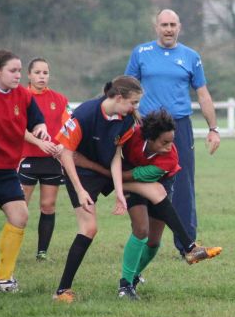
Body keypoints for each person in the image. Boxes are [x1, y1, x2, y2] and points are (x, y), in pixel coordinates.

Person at [72, 109, 222, 300]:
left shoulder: (169, 160)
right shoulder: (133, 135)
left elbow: (121, 177)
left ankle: (134, 277)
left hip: (159, 181)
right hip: (129, 177)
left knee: (153, 241)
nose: (170, 146)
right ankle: (125, 286)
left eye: (172, 141)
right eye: (164, 142)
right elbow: (117, 165)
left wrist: (88, 165)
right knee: (141, 229)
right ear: (150, 138)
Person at [125, 8, 221, 257]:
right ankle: (141, 238)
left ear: (180, 27)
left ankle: (187, 245)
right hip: (146, 128)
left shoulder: (191, 57)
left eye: (172, 24)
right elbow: (126, 89)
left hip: (178, 127)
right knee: (141, 181)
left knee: (182, 184)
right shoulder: (141, 53)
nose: (168, 29)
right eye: (164, 24)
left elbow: (203, 94)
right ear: (156, 27)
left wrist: (213, 129)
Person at [52, 76, 142, 302]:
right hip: (79, 172)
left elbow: (115, 156)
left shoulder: (126, 119)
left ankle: (136, 276)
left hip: (104, 168)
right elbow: (65, 154)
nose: (135, 108)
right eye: (133, 102)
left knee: (152, 191)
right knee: (89, 228)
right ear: (119, 97)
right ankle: (62, 291)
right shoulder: (85, 113)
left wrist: (120, 191)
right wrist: (80, 189)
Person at [0, 50, 49, 292]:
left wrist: (41, 129)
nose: (18, 75)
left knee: (20, 216)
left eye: (19, 70)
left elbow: (37, 120)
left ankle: (3, 279)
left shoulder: (24, 97)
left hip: (6, 171)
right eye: (12, 70)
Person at [19, 58, 70, 261]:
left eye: (45, 73)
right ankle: (8, 250)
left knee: (48, 206)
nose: (42, 76)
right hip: (28, 158)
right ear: (29, 75)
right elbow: (17, 128)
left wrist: (61, 144)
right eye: (38, 72)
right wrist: (39, 143)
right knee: (19, 208)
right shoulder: (20, 97)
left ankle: (42, 253)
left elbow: (69, 127)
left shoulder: (59, 99)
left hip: (51, 160)